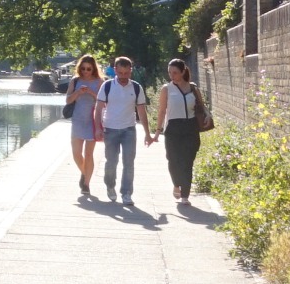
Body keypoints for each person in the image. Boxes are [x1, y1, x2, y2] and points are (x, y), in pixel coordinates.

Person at [95, 54, 149, 204]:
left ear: (131, 71)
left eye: (127, 73)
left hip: (129, 130)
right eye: (120, 73)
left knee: (129, 162)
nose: (124, 76)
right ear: (115, 71)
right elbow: (98, 108)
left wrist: (147, 133)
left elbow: (142, 111)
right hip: (110, 129)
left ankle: (126, 193)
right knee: (111, 162)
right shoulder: (107, 86)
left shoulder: (136, 88)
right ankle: (110, 185)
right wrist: (98, 128)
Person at [157, 57, 207, 204]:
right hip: (173, 128)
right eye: (170, 73)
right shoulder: (166, 89)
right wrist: (158, 131)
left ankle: (185, 195)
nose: (172, 76)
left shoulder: (193, 88)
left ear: (183, 71)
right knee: (173, 159)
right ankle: (176, 184)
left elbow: (202, 107)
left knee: (187, 161)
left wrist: (208, 115)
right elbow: (161, 111)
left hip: (190, 127)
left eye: (175, 73)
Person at [62, 54, 103, 196]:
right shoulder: (75, 81)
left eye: (89, 69)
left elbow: (103, 101)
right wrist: (78, 92)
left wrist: (91, 92)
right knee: (76, 153)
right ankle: (84, 173)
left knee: (89, 154)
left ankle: (86, 184)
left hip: (92, 121)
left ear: (93, 69)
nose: (86, 71)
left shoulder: (99, 82)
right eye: (83, 68)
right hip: (78, 120)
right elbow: (68, 100)